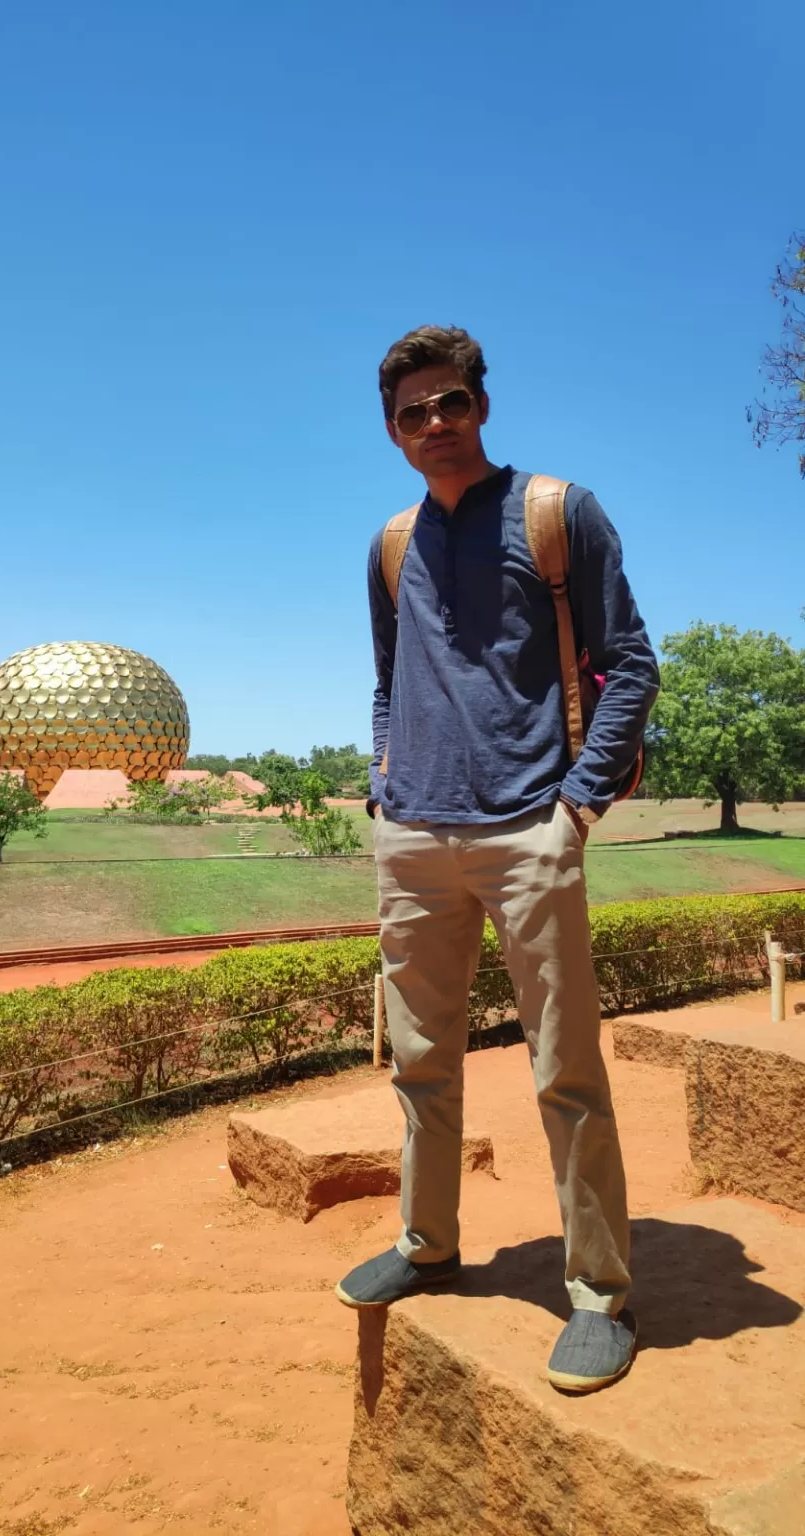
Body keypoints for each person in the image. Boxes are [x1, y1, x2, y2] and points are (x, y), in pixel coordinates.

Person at [335, 325, 659, 1394]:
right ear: (392, 432)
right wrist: (385, 780)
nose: (435, 424)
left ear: (481, 406)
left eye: (451, 403)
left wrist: (575, 804)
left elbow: (631, 661)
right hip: (415, 834)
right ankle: (428, 1247)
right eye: (413, 412)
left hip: (529, 828)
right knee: (419, 1063)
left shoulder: (556, 513)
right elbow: (388, 678)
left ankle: (599, 1292)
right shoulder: (391, 543)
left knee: (564, 1070)